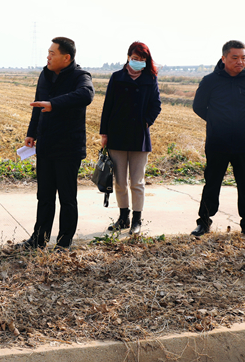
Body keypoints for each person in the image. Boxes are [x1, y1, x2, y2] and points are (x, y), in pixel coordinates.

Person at [17, 37, 94, 250]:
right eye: (48, 52)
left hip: (68, 148)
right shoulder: (45, 75)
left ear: (66, 58)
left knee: (67, 198)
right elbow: (37, 106)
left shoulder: (81, 76)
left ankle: (63, 243)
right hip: (46, 145)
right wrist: (31, 133)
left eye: (53, 53)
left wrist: (54, 104)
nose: (48, 57)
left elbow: (86, 95)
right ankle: (38, 239)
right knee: (44, 196)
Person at [191, 40, 245, 240]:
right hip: (217, 142)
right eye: (235, 58)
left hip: (244, 142)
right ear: (224, 58)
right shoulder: (210, 81)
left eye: (243, 58)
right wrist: (217, 121)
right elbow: (198, 106)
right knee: (212, 183)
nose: (240, 62)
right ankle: (203, 222)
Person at [99, 42, 162, 235]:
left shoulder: (150, 79)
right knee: (120, 181)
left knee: (137, 182)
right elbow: (108, 105)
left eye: (142, 59)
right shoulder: (117, 77)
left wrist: (146, 122)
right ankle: (123, 217)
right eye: (135, 58)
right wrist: (104, 133)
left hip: (139, 136)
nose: (138, 62)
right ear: (128, 57)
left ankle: (136, 220)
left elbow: (156, 105)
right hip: (117, 134)